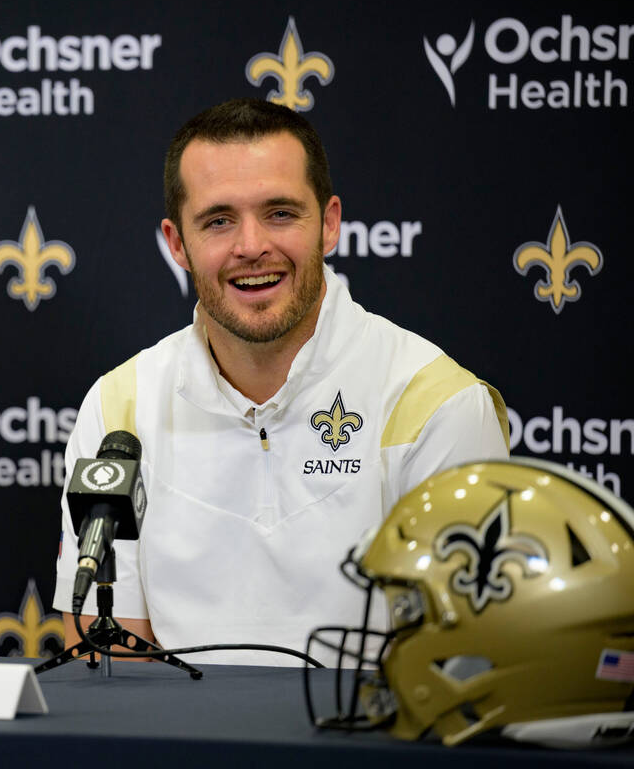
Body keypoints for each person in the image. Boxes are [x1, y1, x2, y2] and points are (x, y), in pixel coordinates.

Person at [53, 98, 509, 665]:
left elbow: (465, 665)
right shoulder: (119, 406)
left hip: (374, 750)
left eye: (280, 213)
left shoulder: (438, 403)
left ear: (330, 223)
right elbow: (111, 657)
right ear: (176, 244)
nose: (251, 246)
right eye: (218, 220)